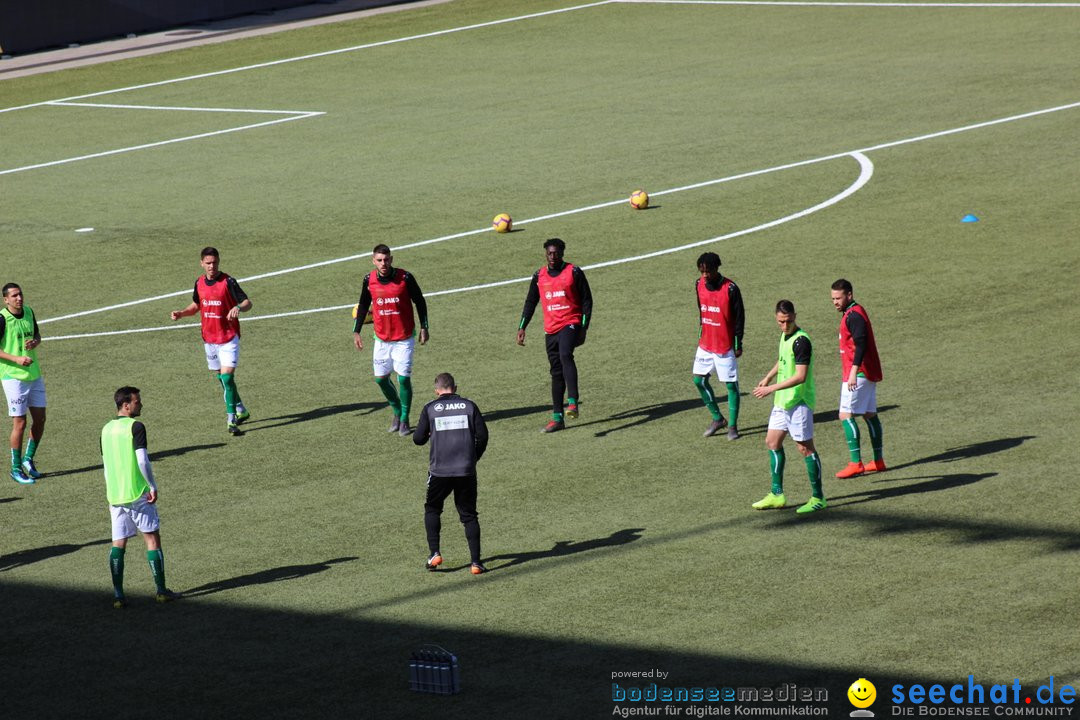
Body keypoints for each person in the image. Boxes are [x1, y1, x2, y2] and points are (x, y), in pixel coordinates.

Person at [101, 386, 181, 607]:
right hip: (137, 493)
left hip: (115, 495)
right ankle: (161, 591)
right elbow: (142, 460)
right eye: (137, 401)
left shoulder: (105, 429)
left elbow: (106, 466)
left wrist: (112, 490)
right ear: (126, 405)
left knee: (118, 543)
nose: (141, 404)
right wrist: (152, 486)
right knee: (152, 539)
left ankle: (118, 596)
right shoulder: (136, 426)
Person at [751, 300, 825, 514]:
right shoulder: (785, 336)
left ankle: (818, 497)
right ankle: (777, 494)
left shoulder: (802, 341)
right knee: (772, 442)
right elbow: (783, 359)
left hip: (799, 402)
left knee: (805, 448)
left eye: (789, 321)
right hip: (783, 401)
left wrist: (771, 388)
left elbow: (801, 376)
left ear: (795, 316)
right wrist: (767, 377)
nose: (785, 326)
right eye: (781, 322)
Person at [170, 247, 252, 436]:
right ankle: (241, 408)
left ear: (218, 262)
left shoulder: (228, 281)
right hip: (209, 338)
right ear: (202, 264)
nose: (211, 266)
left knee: (227, 378)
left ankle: (231, 420)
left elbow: (248, 302)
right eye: (208, 263)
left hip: (228, 337)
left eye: (214, 262)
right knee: (222, 380)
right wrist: (182, 313)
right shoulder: (199, 283)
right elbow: (196, 305)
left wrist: (238, 307)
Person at [412, 373, 489, 575]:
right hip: (466, 469)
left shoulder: (430, 408)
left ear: (436, 391)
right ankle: (475, 563)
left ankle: (434, 553)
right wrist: (473, 458)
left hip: (440, 471)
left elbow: (418, 439)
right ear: (455, 387)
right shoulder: (469, 405)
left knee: (433, 509)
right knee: (469, 515)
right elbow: (483, 436)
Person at [516, 238, 593, 433]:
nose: (553, 256)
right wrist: (522, 327)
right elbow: (530, 302)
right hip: (550, 329)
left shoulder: (573, 272)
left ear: (562, 253)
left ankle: (573, 402)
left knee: (566, 354)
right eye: (549, 253)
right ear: (545, 254)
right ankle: (557, 418)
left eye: (556, 253)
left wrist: (584, 327)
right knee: (555, 372)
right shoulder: (539, 276)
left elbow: (587, 300)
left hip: (571, 323)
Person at [353, 244, 430, 437]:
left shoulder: (405, 278)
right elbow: (363, 304)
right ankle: (396, 411)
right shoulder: (368, 280)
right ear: (373, 261)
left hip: (404, 338)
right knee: (380, 379)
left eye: (386, 259)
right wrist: (357, 331)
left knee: (403, 378)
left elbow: (419, 301)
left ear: (391, 259)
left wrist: (424, 327)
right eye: (379, 260)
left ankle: (404, 418)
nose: (383, 263)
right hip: (381, 339)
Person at [831, 279, 886, 478]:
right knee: (870, 414)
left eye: (838, 298)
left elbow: (860, 344)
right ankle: (878, 461)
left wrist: (853, 371)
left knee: (845, 415)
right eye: (833, 299)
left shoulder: (853, 315)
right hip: (868, 371)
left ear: (850, 295)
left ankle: (856, 463)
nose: (835, 302)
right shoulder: (856, 311)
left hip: (859, 373)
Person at [692, 252, 745, 440]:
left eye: (708, 271)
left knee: (731, 385)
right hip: (706, 343)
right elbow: (701, 311)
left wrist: (738, 343)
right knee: (699, 380)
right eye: (702, 271)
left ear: (717, 268)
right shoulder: (698, 285)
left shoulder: (730, 288)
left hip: (724, 346)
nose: (705, 275)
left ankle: (732, 426)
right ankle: (717, 418)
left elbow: (739, 318)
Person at [0, 283, 46, 484]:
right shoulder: (2, 319)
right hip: (13, 377)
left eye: (20, 294)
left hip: (34, 374)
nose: (19, 298)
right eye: (14, 295)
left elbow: (37, 334)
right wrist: (16, 359)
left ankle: (28, 460)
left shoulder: (28, 311)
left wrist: (35, 342)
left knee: (40, 419)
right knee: (20, 422)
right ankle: (16, 468)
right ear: (6, 299)